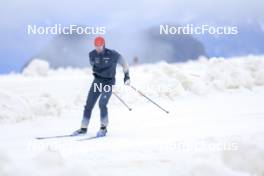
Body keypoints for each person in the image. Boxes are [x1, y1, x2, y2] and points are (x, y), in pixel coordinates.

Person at [73, 36, 130, 137]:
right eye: (96, 46)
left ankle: (103, 128)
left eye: (100, 45)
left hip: (109, 82)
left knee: (102, 103)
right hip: (98, 81)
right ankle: (83, 128)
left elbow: (124, 63)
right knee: (88, 105)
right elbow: (94, 66)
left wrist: (126, 76)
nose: (98, 48)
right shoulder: (92, 55)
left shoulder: (113, 54)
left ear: (104, 45)